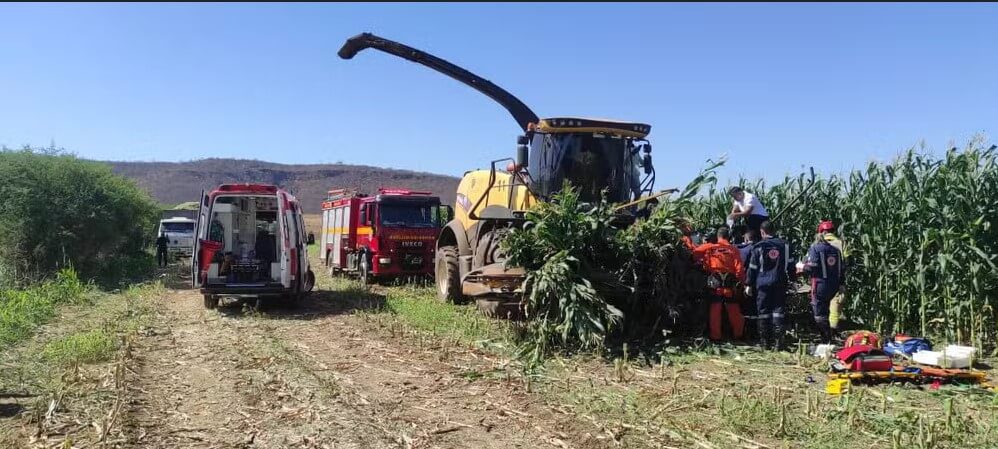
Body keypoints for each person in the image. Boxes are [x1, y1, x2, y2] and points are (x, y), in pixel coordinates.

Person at [745, 221, 793, 350]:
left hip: (763, 283)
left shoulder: (759, 246)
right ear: (774, 230)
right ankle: (778, 343)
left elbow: (753, 267)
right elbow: (791, 266)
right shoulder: (785, 245)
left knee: (763, 311)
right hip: (779, 281)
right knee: (778, 311)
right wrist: (792, 280)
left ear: (762, 232)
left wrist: (748, 284)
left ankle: (765, 343)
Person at [694, 228, 746, 341]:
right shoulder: (733, 249)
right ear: (729, 237)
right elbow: (739, 269)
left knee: (715, 308)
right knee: (733, 308)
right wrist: (741, 283)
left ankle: (715, 336)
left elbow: (695, 254)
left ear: (718, 236)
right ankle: (738, 334)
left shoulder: (710, 247)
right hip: (729, 282)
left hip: (715, 281)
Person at [800, 220, 846, 343]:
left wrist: (802, 267)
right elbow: (844, 266)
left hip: (820, 284)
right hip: (835, 284)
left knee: (819, 313)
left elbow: (811, 267)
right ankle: (831, 335)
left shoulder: (816, 248)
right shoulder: (838, 247)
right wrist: (841, 283)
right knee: (831, 310)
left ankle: (826, 340)